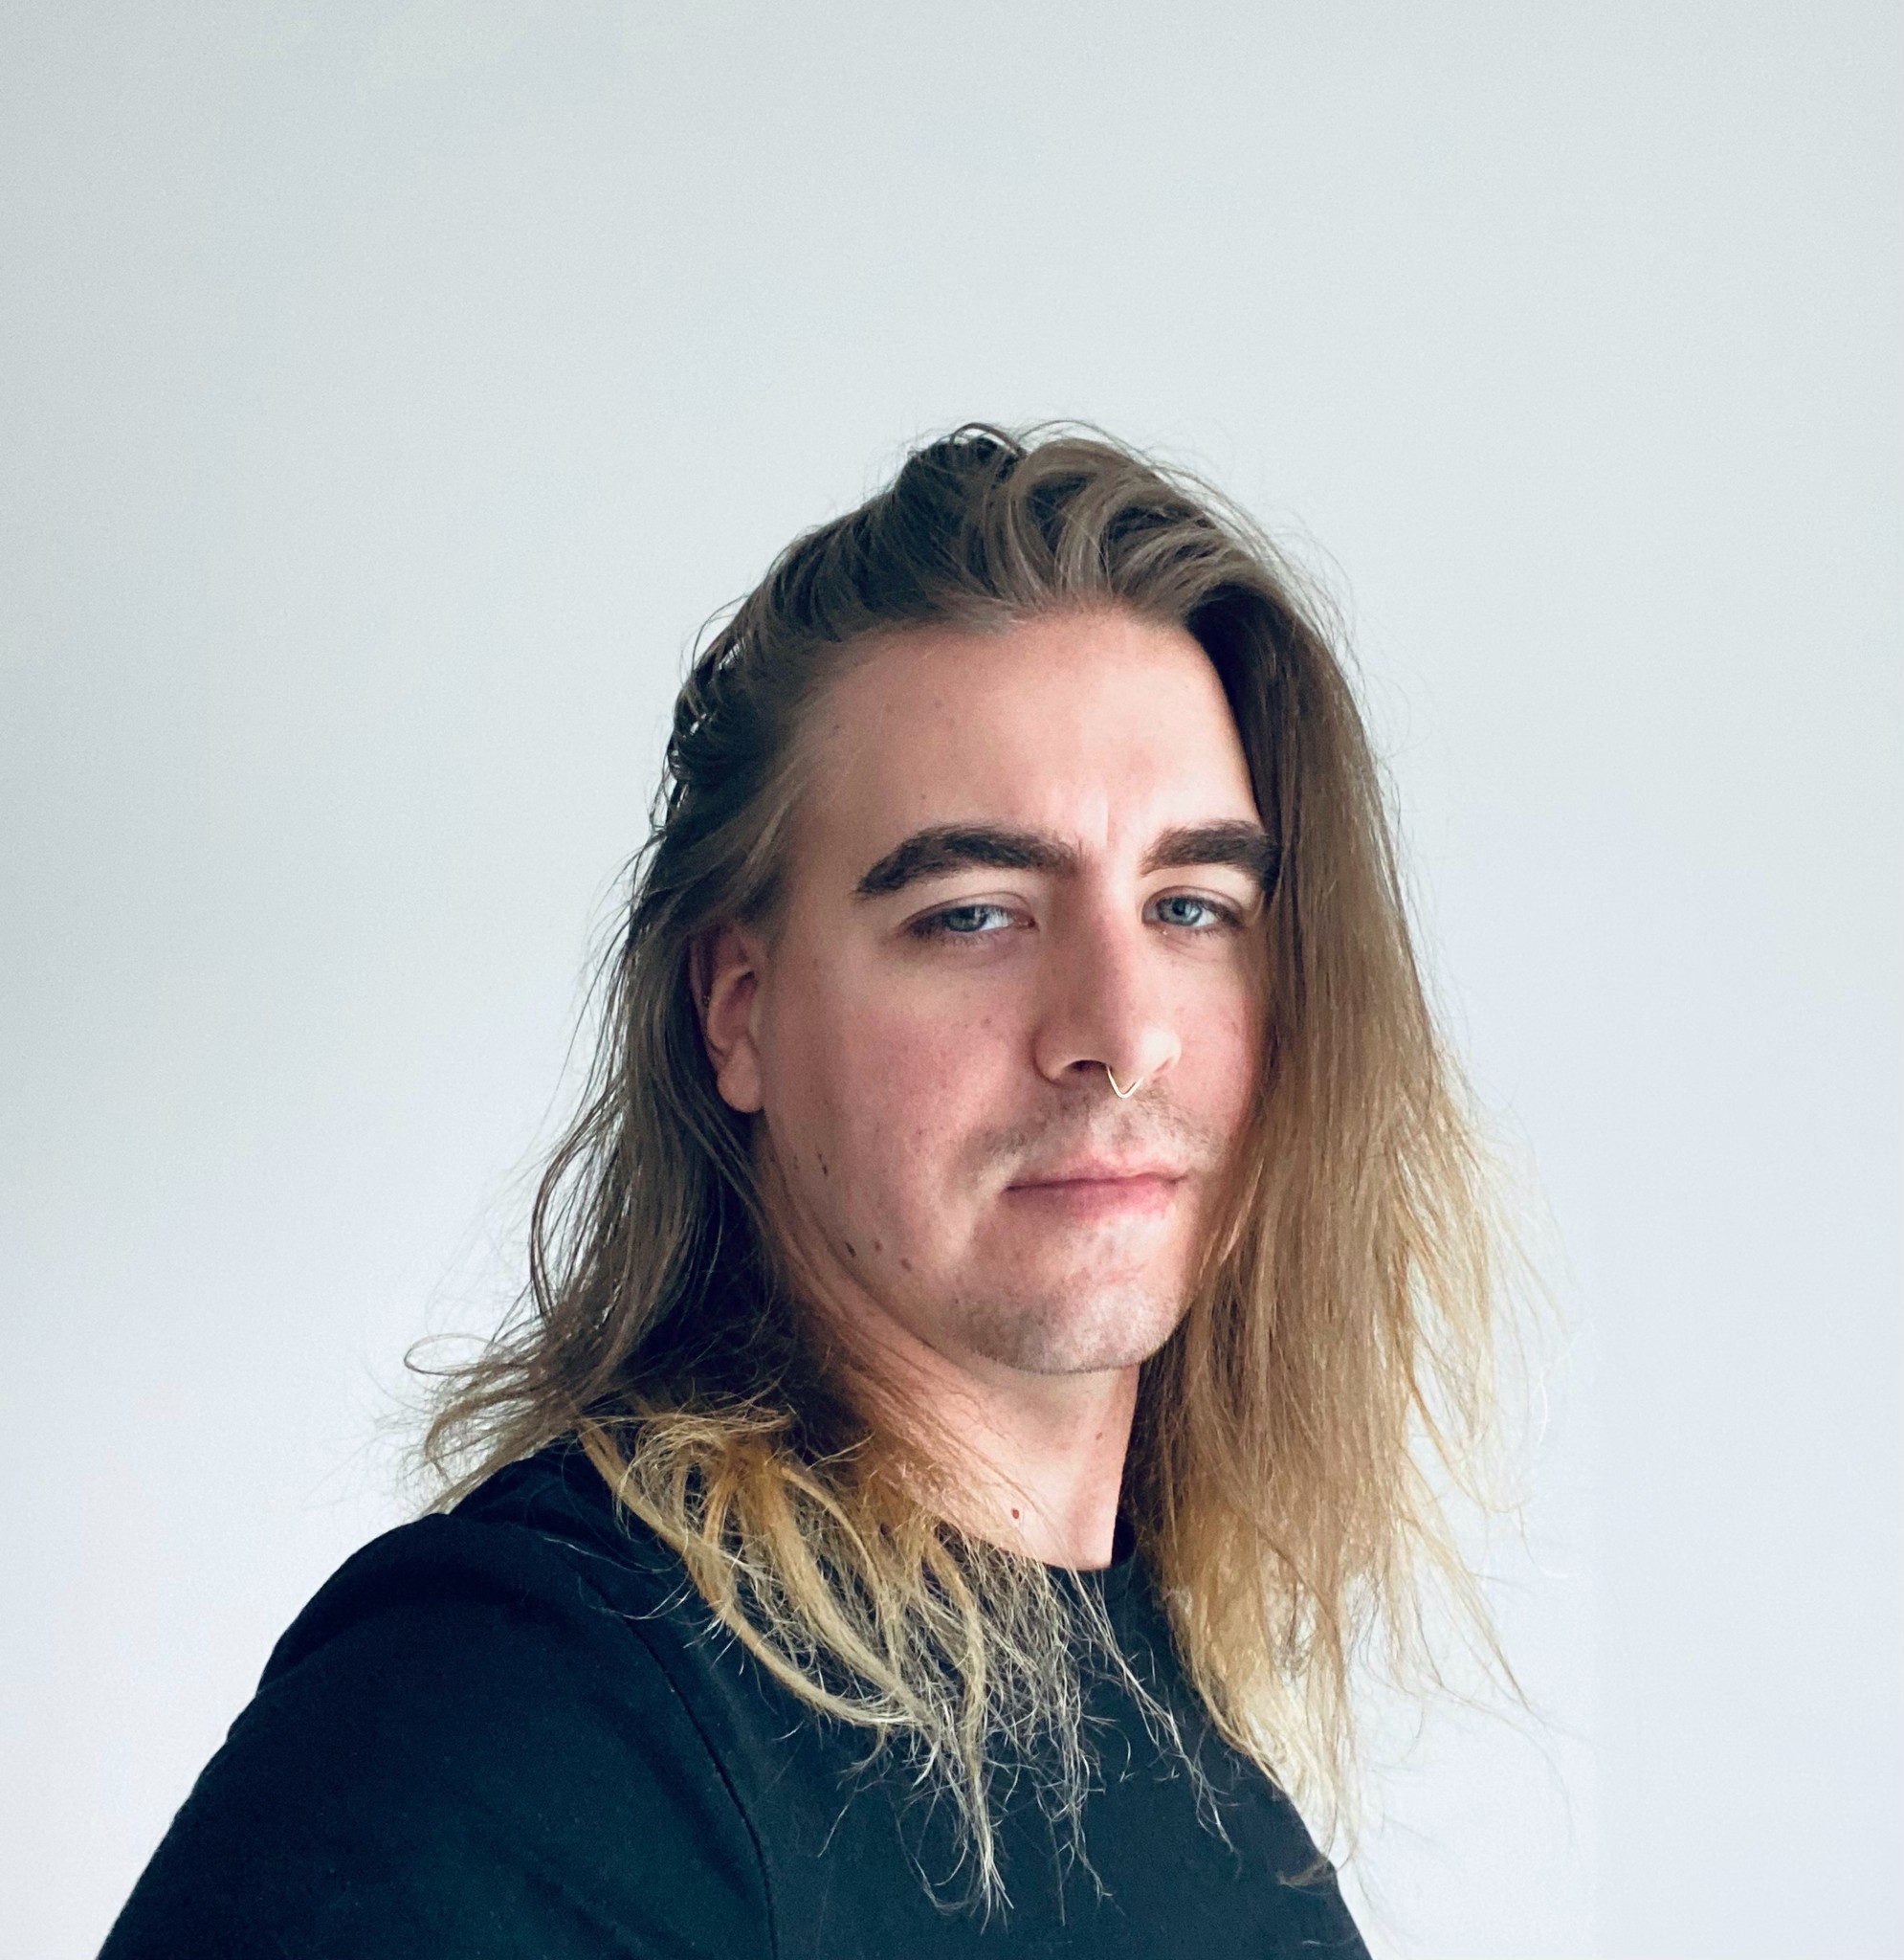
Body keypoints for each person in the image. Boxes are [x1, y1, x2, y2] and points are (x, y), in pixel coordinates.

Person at [100, 426, 1510, 1957]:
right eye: (973, 914)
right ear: (739, 1008)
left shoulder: (1187, 1755)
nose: (1115, 1033)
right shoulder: (521, 1718)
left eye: (1191, 905)